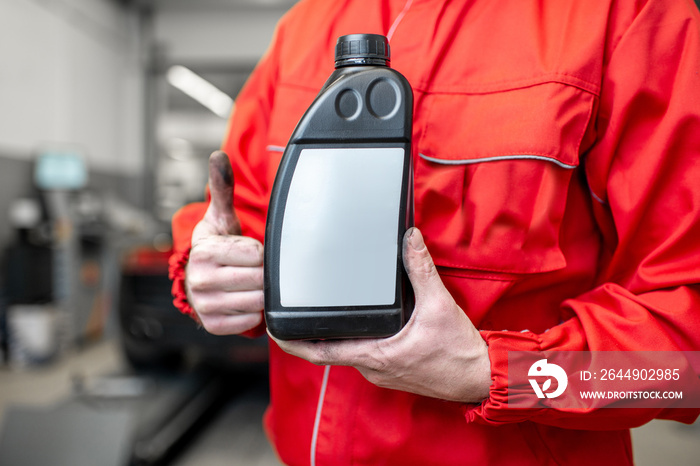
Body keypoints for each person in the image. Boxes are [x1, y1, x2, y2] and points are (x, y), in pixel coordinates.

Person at [169, 0, 700, 464]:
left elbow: (683, 366)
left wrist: (491, 372)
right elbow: (243, 228)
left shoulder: (629, 18)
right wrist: (211, 276)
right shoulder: (304, 26)